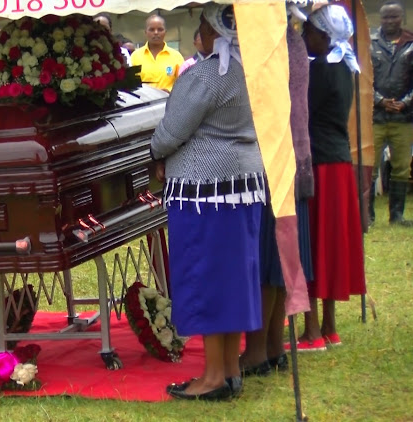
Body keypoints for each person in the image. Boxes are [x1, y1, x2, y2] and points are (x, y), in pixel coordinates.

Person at [150, 4, 263, 401]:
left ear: (217, 32)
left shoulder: (206, 76)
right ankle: (229, 369)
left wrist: (156, 151)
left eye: (202, 26)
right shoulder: (252, 70)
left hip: (204, 194)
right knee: (232, 281)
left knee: (210, 280)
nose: (199, 34)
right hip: (243, 187)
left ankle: (213, 377)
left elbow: (170, 132)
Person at [240, 8, 314, 376]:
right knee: (277, 261)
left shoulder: (276, 48)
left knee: (267, 262)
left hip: (274, 163)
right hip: (292, 159)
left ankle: (258, 350)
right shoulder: (294, 44)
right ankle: (272, 345)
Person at [289, 4, 366, 352]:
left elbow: (298, 112)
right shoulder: (344, 66)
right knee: (329, 245)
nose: (304, 39)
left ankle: (311, 331)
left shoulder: (318, 70)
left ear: (323, 35)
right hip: (338, 165)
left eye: (308, 33)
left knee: (313, 243)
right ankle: (329, 326)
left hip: (318, 164)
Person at [370, 0, 413, 226]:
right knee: (371, 167)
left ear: (402, 18)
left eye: (394, 16)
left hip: (403, 118)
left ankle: (397, 216)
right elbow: (363, 77)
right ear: (380, 18)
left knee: (401, 167)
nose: (389, 21)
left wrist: (405, 103)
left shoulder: (411, 44)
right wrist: (380, 101)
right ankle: (368, 215)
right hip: (375, 117)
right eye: (386, 17)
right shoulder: (369, 43)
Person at [130, 14, 184, 92]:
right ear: (145, 32)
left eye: (160, 29)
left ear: (165, 32)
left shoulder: (176, 56)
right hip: (144, 102)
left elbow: (183, 84)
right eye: (151, 29)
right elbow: (131, 85)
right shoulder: (135, 56)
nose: (156, 33)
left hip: (169, 102)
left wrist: (170, 92)